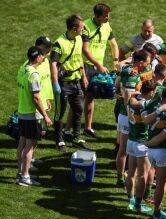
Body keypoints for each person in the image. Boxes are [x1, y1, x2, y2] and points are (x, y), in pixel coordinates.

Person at [50, 14, 88, 151]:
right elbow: (53, 64)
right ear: (73, 28)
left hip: (76, 81)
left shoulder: (79, 39)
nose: (83, 30)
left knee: (78, 109)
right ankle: (59, 141)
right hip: (63, 84)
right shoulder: (59, 43)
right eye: (81, 27)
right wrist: (55, 84)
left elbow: (79, 58)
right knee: (59, 113)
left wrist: (83, 76)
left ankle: (76, 138)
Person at [82, 3, 119, 137]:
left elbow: (113, 44)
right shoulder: (85, 26)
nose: (108, 17)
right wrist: (98, 65)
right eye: (106, 15)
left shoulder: (106, 26)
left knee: (91, 97)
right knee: (80, 99)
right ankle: (69, 129)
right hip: (85, 66)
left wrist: (115, 61)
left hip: (98, 67)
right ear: (97, 16)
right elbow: (85, 50)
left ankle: (88, 128)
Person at [16, 46, 52, 186]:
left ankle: (20, 172)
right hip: (31, 114)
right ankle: (25, 176)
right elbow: (36, 98)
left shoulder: (23, 69)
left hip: (22, 111)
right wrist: (46, 116)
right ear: (37, 58)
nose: (44, 58)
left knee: (22, 142)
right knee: (29, 146)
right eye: (42, 56)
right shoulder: (34, 74)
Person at [115, 50, 151, 187]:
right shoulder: (132, 75)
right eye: (147, 62)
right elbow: (127, 98)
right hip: (128, 116)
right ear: (141, 62)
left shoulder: (130, 69)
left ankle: (127, 175)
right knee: (124, 149)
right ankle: (120, 178)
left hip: (128, 115)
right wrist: (131, 115)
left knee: (128, 148)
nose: (148, 65)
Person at [142, 87, 166, 219]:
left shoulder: (151, 104)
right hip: (163, 150)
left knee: (159, 177)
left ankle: (144, 198)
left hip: (150, 150)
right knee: (161, 183)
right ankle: (157, 212)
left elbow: (145, 120)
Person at [125, 80, 157, 213]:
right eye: (154, 91)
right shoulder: (146, 104)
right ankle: (138, 205)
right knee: (142, 176)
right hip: (142, 143)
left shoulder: (131, 99)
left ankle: (130, 200)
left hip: (131, 141)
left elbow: (131, 96)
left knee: (131, 173)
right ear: (150, 91)